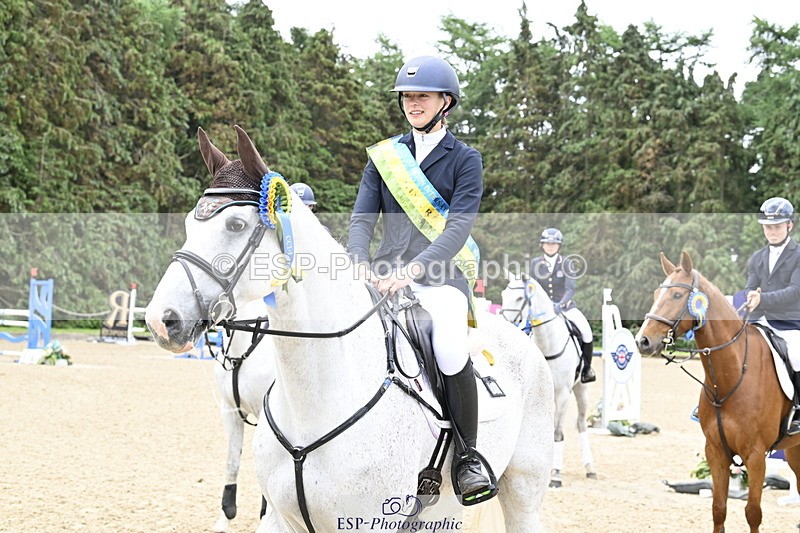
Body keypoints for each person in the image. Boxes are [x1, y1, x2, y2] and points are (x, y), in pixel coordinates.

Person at [348, 56, 495, 505]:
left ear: (445, 102)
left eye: (423, 96)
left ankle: (467, 457)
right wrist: (357, 260)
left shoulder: (465, 160)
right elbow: (362, 218)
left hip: (438, 279)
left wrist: (413, 270)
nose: (413, 103)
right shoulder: (385, 157)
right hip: (382, 275)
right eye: (408, 97)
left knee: (448, 347)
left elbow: (458, 228)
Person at [744, 196, 800, 435]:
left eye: (777, 226)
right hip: (759, 320)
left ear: (789, 225)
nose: (772, 231)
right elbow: (750, 286)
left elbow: (794, 291)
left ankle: (797, 411)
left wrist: (763, 299)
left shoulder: (798, 254)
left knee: (796, 356)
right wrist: (750, 296)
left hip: (789, 322)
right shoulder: (757, 257)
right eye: (768, 227)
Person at [530, 227, 596, 383]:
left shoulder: (566, 263)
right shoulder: (535, 263)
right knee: (523, 331)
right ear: (542, 245)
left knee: (586, 330)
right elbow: (533, 287)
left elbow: (570, 289)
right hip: (542, 311)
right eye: (547, 243)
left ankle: (587, 369)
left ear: (559, 246)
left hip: (565, 307)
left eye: (553, 244)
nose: (550, 246)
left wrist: (560, 304)